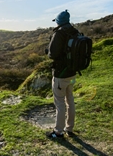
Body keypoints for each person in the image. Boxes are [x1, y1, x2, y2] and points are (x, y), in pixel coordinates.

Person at [46, 10, 79, 138]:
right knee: (70, 100)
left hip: (61, 74)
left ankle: (58, 131)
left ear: (58, 21)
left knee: (59, 103)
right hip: (72, 73)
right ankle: (69, 128)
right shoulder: (75, 32)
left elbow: (52, 54)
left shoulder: (59, 33)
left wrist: (48, 51)